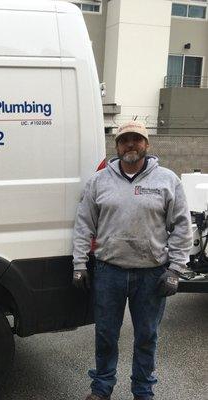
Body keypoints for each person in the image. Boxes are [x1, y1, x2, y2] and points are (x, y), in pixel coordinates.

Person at [72, 120, 192, 400]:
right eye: (125, 139)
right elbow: (83, 225)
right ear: (117, 146)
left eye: (137, 140)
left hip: (152, 274)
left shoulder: (167, 180)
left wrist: (175, 269)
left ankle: (143, 390)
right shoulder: (99, 181)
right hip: (108, 271)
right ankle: (102, 387)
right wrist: (79, 264)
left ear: (146, 145)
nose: (131, 145)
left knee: (147, 337)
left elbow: (182, 226)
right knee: (105, 335)